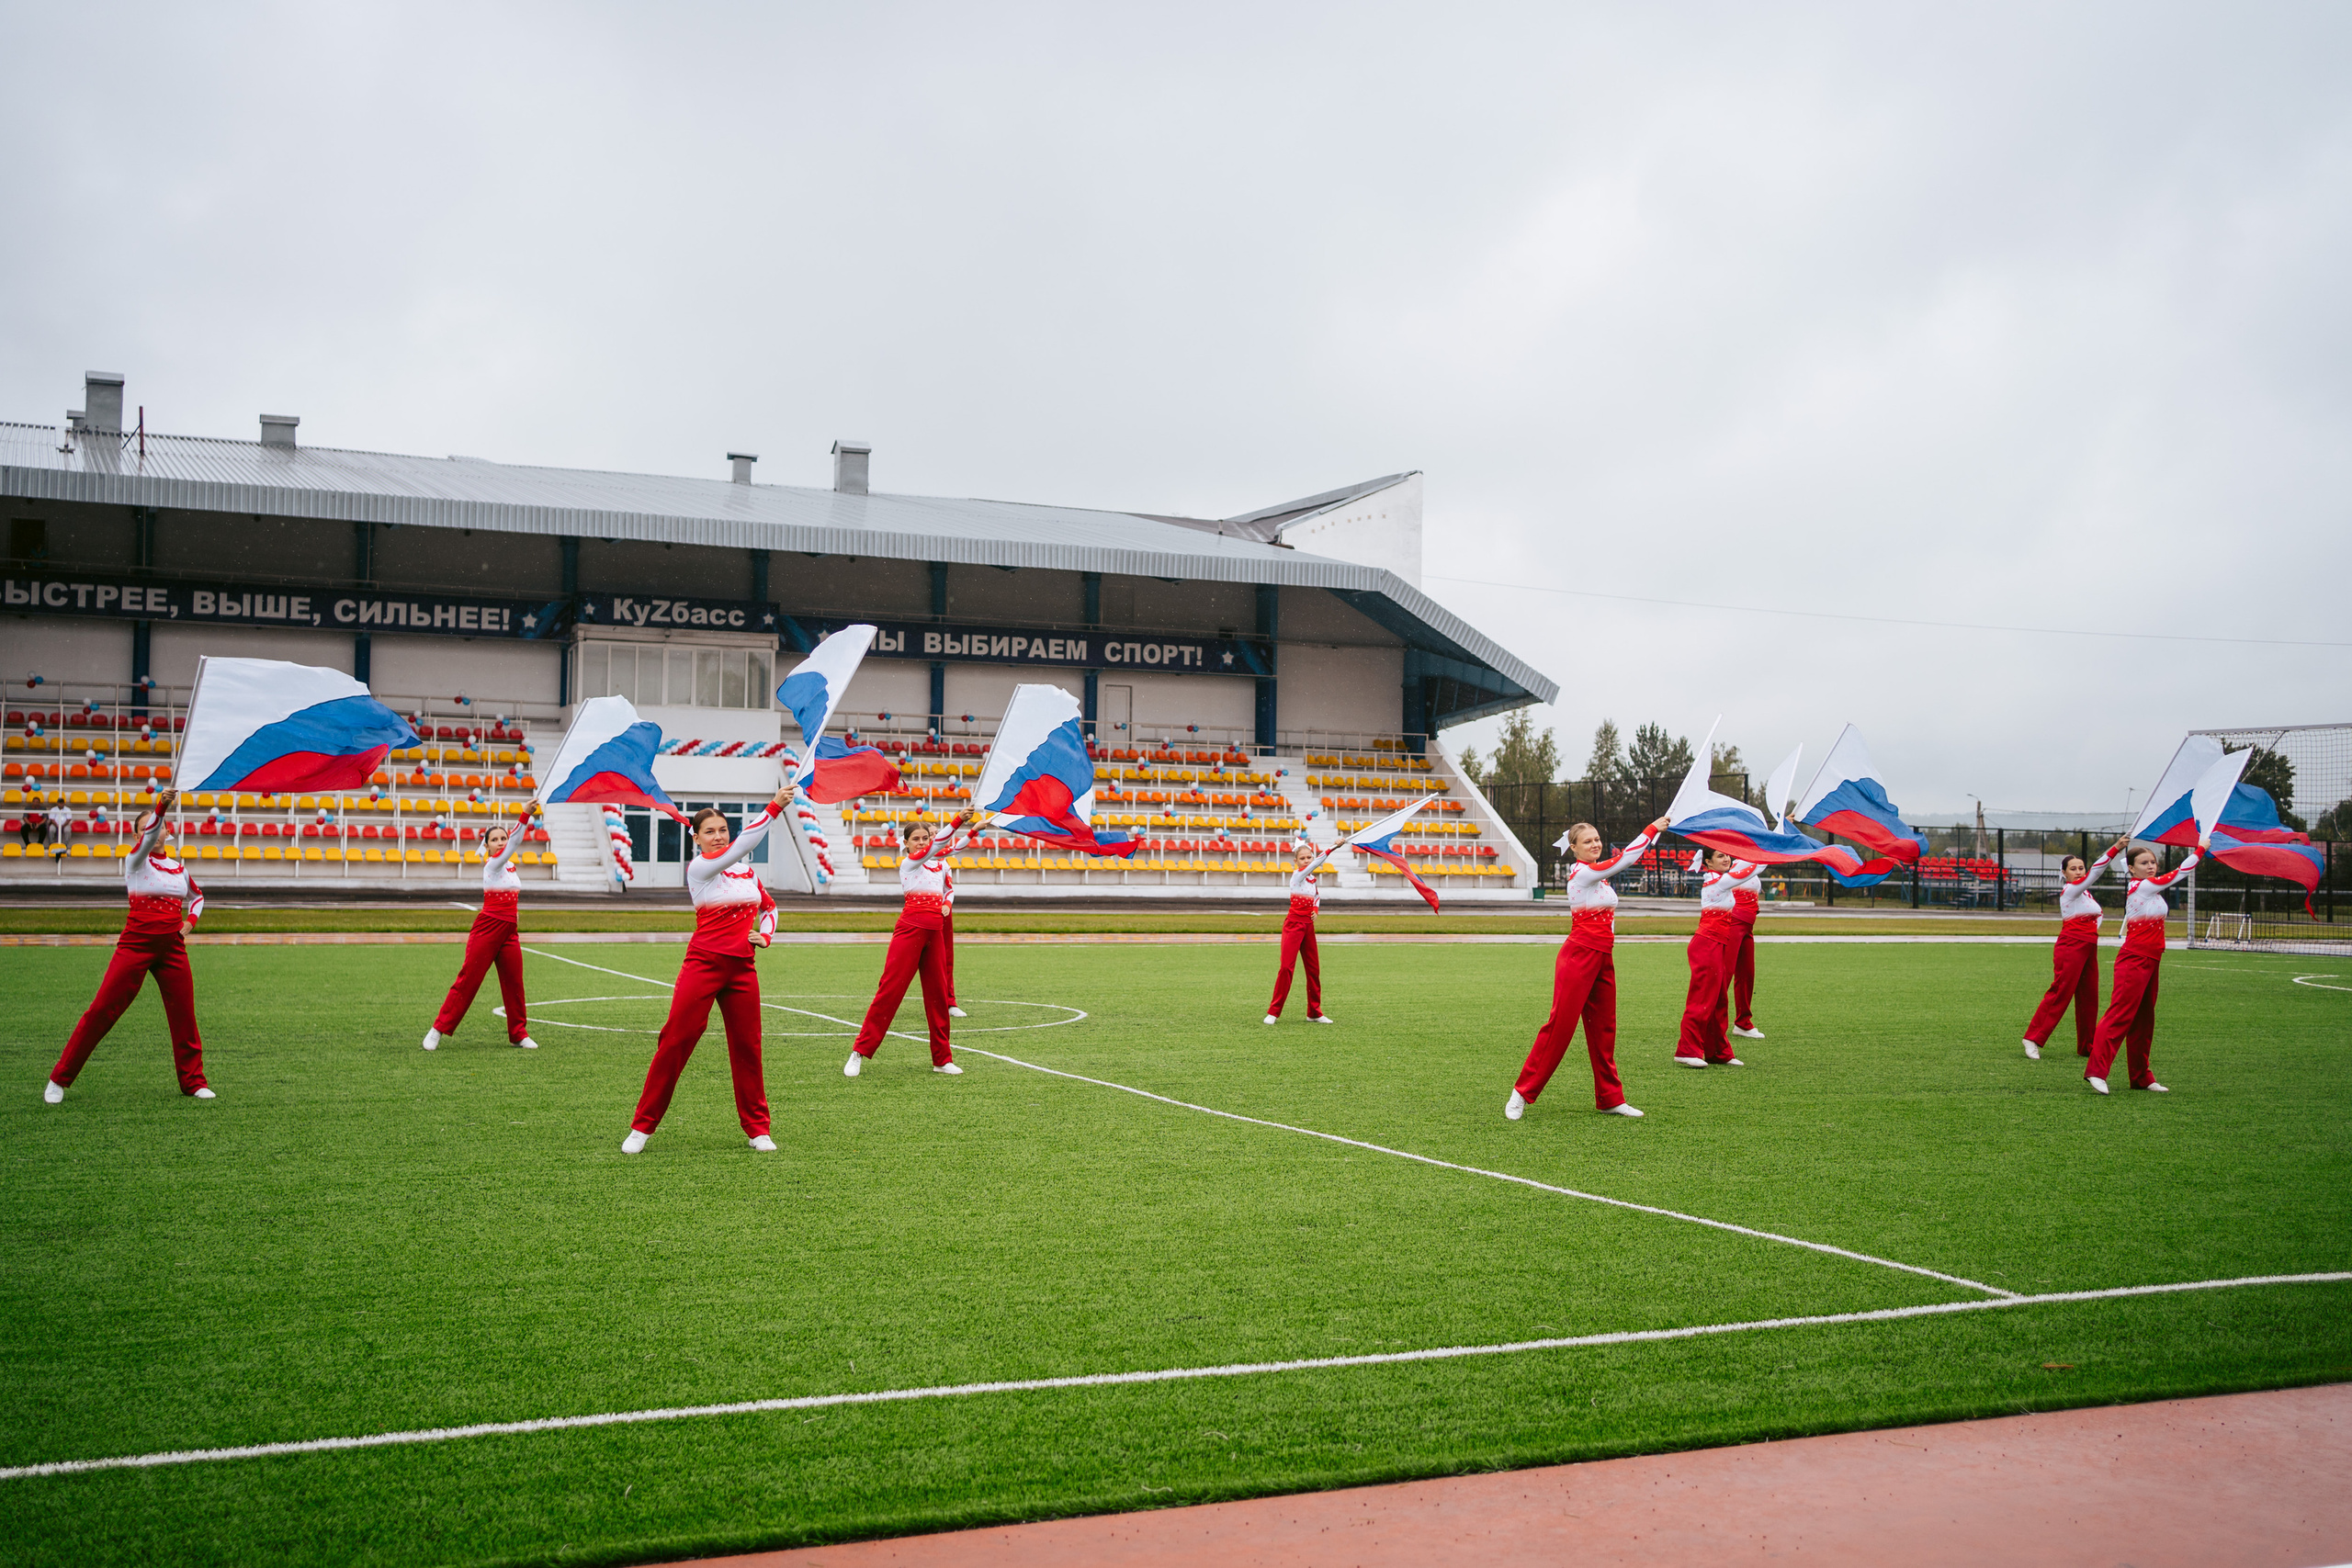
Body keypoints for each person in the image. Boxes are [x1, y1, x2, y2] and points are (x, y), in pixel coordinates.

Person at [622, 789, 789, 1152]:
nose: (719, 836)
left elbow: (770, 908)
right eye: (710, 831)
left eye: (723, 829)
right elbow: (744, 844)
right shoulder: (699, 868)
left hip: (743, 970)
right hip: (703, 965)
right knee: (675, 1041)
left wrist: (766, 935)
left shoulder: (747, 872)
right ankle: (642, 1127)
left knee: (748, 1047)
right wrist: (774, 806)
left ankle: (758, 1129)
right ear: (696, 838)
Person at [45, 788, 213, 1102]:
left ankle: (193, 1082)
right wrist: (161, 806)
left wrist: (190, 921)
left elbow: (198, 896)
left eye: (160, 825)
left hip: (172, 949)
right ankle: (60, 1077)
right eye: (147, 827)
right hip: (136, 945)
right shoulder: (136, 860)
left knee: (184, 1016)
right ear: (139, 835)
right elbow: (149, 839)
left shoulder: (179, 868)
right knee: (102, 1010)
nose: (155, 830)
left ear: (169, 831)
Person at [1507, 815, 1670, 1121]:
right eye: (1587, 841)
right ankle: (1522, 1092)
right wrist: (1650, 828)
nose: (1594, 844)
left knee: (1604, 1030)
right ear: (1574, 848)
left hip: (1603, 957)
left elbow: (1627, 858)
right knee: (1560, 1028)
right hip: (1579, 956)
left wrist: (1654, 836)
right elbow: (1625, 860)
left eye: (1596, 839)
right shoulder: (1583, 874)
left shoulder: (1599, 876)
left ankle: (1610, 1098)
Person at [846, 811, 978, 1077]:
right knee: (890, 991)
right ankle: (859, 1052)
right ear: (906, 844)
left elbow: (949, 849)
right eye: (916, 839)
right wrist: (958, 820)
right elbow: (940, 845)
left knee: (938, 997)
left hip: (935, 933)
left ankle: (942, 1059)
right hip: (910, 930)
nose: (921, 842)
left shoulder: (939, 864)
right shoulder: (910, 863)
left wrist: (973, 830)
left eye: (925, 838)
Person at [2084, 839, 2203, 1095]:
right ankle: (2096, 1071)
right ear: (2131, 869)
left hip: (2152, 959)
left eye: (2153, 862)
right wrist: (2200, 848)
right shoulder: (2143, 886)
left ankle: (2140, 1077)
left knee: (2144, 1020)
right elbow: (2182, 871)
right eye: (2144, 863)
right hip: (2134, 960)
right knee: (2119, 1015)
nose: (2151, 866)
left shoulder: (2150, 890)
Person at [424, 805, 541, 1052]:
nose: (500, 843)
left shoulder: (509, 867)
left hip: (509, 932)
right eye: (495, 840)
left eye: (503, 839)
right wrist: (525, 814)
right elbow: (516, 841)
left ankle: (518, 1033)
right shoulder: (493, 866)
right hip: (488, 929)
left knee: (514, 983)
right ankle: (438, 1029)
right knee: (468, 980)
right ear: (486, 846)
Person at [2022, 839, 2124, 1060]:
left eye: (2081, 868)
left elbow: (2098, 915)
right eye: (2073, 869)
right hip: (2071, 946)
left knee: (2090, 996)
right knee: (2061, 992)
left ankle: (2086, 1045)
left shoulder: (2086, 895)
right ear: (2064, 874)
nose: (2078, 872)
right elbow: (2096, 873)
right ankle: (2032, 1038)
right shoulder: (2071, 890)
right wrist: (2115, 848)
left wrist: (2091, 934)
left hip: (2089, 946)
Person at [1673, 848, 1752, 1067]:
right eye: (1720, 856)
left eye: (1728, 855)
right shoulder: (1717, 881)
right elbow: (1750, 870)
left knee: (1719, 1000)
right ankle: (1686, 1050)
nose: (1726, 858)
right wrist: (1766, 851)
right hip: (1706, 945)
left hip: (1718, 944)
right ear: (1708, 862)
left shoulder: (1721, 879)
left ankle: (1718, 1052)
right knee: (1702, 1000)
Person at [1264, 839, 1336, 1025]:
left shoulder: (1312, 879)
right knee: (1287, 968)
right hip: (1293, 925)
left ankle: (1314, 1012)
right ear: (1295, 861)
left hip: (1308, 927)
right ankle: (1274, 1012)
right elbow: (1315, 864)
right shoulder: (1297, 875)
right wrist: (1333, 847)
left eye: (1309, 857)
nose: (1306, 860)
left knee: (1313, 970)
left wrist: (1315, 910)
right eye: (1302, 858)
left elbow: (1317, 896)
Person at [1725, 855, 1767, 1040]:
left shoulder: (1749, 861)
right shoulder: (1741, 864)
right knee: (1724, 975)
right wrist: (1783, 826)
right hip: (1733, 924)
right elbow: (1767, 854)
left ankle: (1743, 1022)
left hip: (1747, 927)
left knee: (1747, 975)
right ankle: (1709, 1020)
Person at [942, 845, 967, 1021]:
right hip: (917, 915)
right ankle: (886, 1001)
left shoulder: (943, 863)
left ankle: (949, 1002)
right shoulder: (914, 861)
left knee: (945, 959)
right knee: (902, 963)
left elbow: (949, 889)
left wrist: (947, 905)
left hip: (942, 915)